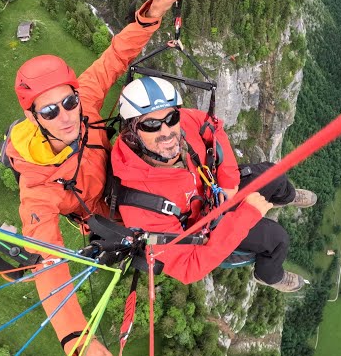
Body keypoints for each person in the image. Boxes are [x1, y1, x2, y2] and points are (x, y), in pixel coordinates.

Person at [3, 0, 183, 356]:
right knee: (160, 244)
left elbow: (115, 56)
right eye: (50, 111)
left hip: (122, 174)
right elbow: (48, 259)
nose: (67, 115)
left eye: (69, 102)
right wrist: (78, 341)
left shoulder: (84, 102)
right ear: (33, 117)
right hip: (103, 217)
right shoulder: (37, 186)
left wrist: (153, 12)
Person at [109, 76, 317, 290]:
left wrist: (229, 181)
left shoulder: (183, 123)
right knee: (277, 239)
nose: (166, 132)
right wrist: (247, 215)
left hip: (216, 190)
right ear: (132, 131)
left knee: (275, 175)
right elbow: (188, 268)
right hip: (207, 226)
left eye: (171, 118)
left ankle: (285, 197)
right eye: (151, 124)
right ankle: (269, 275)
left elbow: (212, 127)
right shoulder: (140, 205)